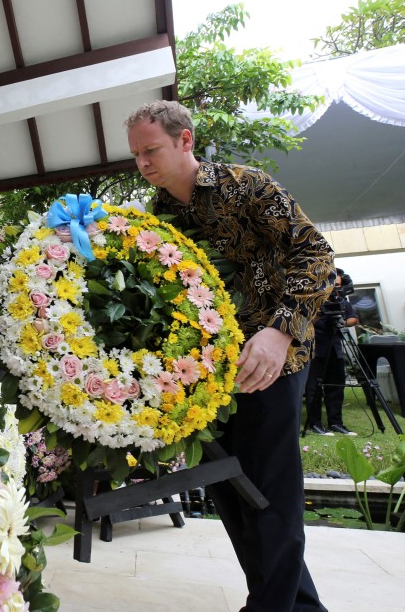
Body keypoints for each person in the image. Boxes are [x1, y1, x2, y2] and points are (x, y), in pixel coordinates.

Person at [125, 100, 334, 612]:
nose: (143, 163)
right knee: (234, 492)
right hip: (210, 373)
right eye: (136, 155)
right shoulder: (159, 215)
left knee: (270, 489)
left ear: (185, 141)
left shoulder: (248, 185)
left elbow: (317, 255)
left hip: (272, 359)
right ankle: (292, 604)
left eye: (151, 150)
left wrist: (279, 332)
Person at [305, 272, 359, 436]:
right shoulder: (314, 298)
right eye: (333, 284)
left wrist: (342, 321)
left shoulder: (342, 301)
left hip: (336, 347)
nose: (336, 287)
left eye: (338, 285)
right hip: (316, 347)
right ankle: (315, 423)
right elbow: (306, 320)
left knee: (336, 385)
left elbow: (354, 319)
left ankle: (336, 423)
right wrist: (320, 315)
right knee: (314, 387)